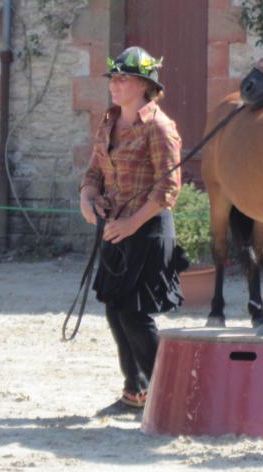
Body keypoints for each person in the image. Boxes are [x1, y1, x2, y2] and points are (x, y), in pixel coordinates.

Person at [79, 46, 184, 408]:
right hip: (114, 229)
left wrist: (130, 223)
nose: (115, 83)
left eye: (122, 78)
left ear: (143, 84)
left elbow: (167, 189)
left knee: (134, 313)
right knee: (113, 308)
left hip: (148, 229)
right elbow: (93, 172)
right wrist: (87, 199)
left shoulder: (159, 127)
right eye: (114, 77)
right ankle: (136, 391)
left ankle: (167, 396)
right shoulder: (107, 122)